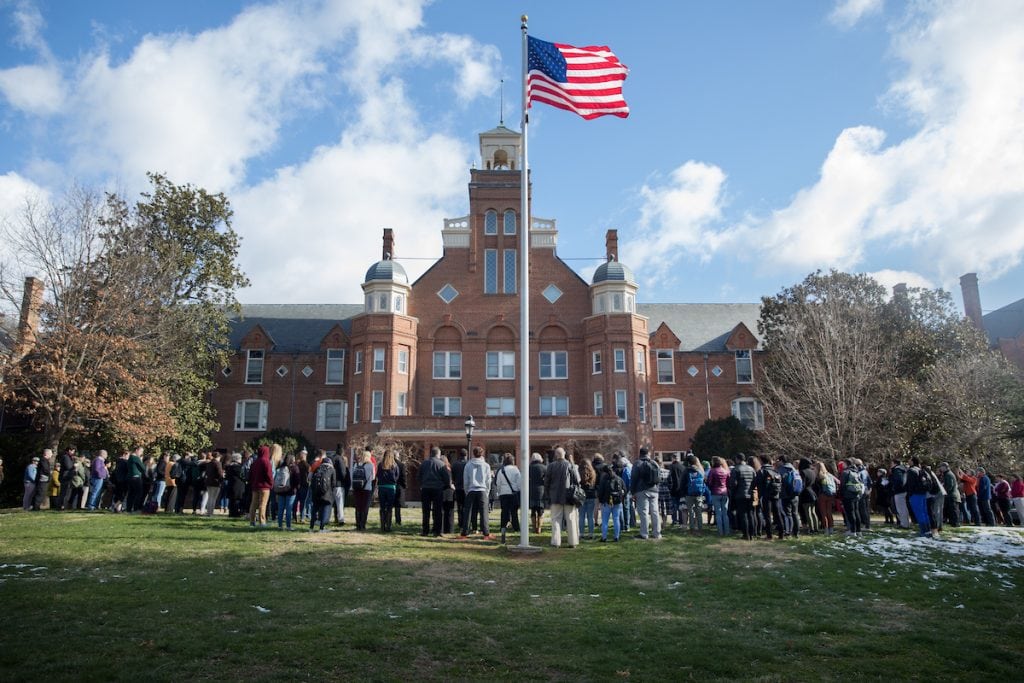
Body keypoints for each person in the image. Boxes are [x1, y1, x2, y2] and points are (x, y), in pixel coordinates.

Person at [544, 447, 579, 548]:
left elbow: (547, 482)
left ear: (556, 455)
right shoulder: (570, 465)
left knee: (555, 519)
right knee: (571, 519)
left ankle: (556, 542)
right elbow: (576, 480)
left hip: (555, 496)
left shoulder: (551, 466)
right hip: (569, 496)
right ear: (564, 454)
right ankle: (573, 542)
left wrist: (547, 494)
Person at [459, 446, 492, 539]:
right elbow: (488, 480)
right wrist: (487, 492)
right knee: (484, 512)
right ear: (482, 454)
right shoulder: (486, 465)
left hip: (471, 490)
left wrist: (467, 491)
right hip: (482, 490)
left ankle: (465, 532)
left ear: (473, 453)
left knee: (468, 512)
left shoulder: (468, 465)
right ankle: (486, 532)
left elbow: (465, 480)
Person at [418, 446, 451, 537]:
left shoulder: (424, 463)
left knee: (426, 511)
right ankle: (437, 531)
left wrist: (422, 484)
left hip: (425, 489)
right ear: (438, 454)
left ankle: (425, 530)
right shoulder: (441, 464)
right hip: (438, 489)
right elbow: (447, 479)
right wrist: (445, 486)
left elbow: (419, 476)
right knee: (438, 511)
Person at [596, 460, 625, 542]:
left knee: (605, 521)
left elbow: (600, 492)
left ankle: (604, 537)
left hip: (606, 502)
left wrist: (601, 501)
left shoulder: (604, 480)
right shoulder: (619, 479)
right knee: (616, 519)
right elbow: (625, 489)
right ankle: (616, 536)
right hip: (617, 502)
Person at [495, 453, 521, 543]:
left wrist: (499, 491)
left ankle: (503, 526)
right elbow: (519, 482)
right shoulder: (516, 470)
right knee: (514, 511)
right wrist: (518, 490)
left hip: (503, 493)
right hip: (513, 493)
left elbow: (498, 483)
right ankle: (516, 527)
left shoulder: (501, 470)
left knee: (504, 510)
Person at [248, 445, 274, 528]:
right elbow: (269, 475)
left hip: (255, 486)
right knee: (262, 505)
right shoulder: (266, 461)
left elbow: (250, 475)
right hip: (264, 486)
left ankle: (252, 521)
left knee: (253, 504)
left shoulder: (254, 462)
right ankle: (262, 522)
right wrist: (271, 484)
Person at [308, 454, 336, 532]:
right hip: (326, 494)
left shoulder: (317, 468)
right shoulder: (331, 470)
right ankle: (322, 527)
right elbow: (333, 483)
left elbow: (311, 479)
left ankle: (311, 527)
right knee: (325, 509)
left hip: (316, 493)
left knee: (314, 509)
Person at [272, 453, 299, 530]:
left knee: (280, 509)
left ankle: (280, 525)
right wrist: (295, 488)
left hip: (280, 491)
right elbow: (297, 480)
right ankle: (288, 526)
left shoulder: (280, 467)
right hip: (290, 491)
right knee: (288, 509)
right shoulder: (294, 468)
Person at [906, 457, 932, 537]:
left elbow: (910, 484)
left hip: (915, 494)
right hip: (923, 493)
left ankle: (923, 531)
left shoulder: (911, 471)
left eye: (909, 460)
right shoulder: (921, 470)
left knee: (919, 513)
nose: (908, 461)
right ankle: (928, 530)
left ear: (913, 462)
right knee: (924, 512)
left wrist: (909, 493)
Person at [376, 449, 401, 533]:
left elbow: (378, 476)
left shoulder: (380, 465)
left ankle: (382, 526)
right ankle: (388, 526)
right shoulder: (395, 465)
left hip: (382, 488)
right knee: (390, 507)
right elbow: (397, 477)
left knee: (382, 507)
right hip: (391, 488)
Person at [706, 456, 731, 537]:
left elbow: (709, 482)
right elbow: (728, 483)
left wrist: (711, 489)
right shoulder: (726, 471)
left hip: (715, 493)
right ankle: (727, 531)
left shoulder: (712, 471)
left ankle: (720, 532)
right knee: (725, 513)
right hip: (725, 493)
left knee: (718, 513)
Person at [840, 458, 865, 535]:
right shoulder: (856, 471)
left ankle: (852, 531)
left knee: (850, 513)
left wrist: (841, 495)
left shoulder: (845, 472)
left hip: (848, 495)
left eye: (843, 463)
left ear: (847, 464)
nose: (842, 465)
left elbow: (843, 485)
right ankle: (858, 530)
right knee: (856, 512)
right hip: (856, 494)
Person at [350, 451, 374, 531]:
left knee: (358, 507)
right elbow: (373, 477)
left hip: (357, 488)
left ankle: (357, 524)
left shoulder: (356, 464)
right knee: (365, 507)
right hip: (367, 489)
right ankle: (363, 525)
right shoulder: (371, 465)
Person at [813, 461, 837, 535]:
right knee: (829, 512)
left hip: (822, 496)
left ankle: (826, 529)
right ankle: (831, 528)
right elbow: (837, 482)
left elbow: (816, 487)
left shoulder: (818, 476)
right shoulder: (829, 475)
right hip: (830, 494)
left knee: (823, 513)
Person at [577, 458, 598, 540]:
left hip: (581, 495)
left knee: (581, 516)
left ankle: (581, 533)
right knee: (590, 516)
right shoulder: (593, 473)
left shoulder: (579, 472)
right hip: (591, 495)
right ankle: (591, 534)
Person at [797, 457, 819, 534]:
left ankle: (811, 528)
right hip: (812, 492)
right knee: (813, 512)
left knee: (808, 512)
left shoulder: (803, 472)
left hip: (805, 493)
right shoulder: (813, 471)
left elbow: (802, 484)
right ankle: (816, 528)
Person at [329, 449, 349, 526]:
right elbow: (343, 473)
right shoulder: (340, 459)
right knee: (340, 503)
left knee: (330, 503)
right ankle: (341, 519)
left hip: (331, 484)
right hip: (339, 484)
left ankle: (325, 518)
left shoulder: (331, 458)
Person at [451, 448, 469, 532]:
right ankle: (467, 523)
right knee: (467, 507)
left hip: (458, 487)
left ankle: (460, 523)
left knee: (460, 507)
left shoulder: (455, 464)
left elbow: (453, 477)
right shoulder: (468, 464)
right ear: (466, 455)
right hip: (467, 488)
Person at [528, 453, 546, 534]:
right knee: (540, 510)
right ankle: (539, 528)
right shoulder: (544, 467)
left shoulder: (529, 468)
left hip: (531, 490)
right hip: (541, 490)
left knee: (533, 510)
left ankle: (533, 527)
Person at [940, 463, 961, 527]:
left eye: (941, 467)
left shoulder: (949, 474)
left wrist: (944, 491)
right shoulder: (946, 474)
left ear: (945, 467)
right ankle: (953, 523)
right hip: (950, 495)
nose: (940, 468)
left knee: (954, 510)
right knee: (951, 510)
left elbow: (950, 486)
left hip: (952, 495)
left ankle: (956, 523)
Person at [204, 451, 224, 516]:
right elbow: (220, 473)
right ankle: (211, 512)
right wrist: (222, 479)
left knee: (210, 497)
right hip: (216, 482)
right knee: (213, 498)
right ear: (218, 457)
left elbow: (207, 473)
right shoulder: (218, 463)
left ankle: (209, 512)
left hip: (208, 482)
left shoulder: (209, 463)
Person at [55, 446, 76, 510]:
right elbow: (68, 467)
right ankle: (62, 505)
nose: (73, 453)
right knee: (64, 493)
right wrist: (74, 466)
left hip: (68, 477)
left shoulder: (69, 458)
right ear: (69, 450)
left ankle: (63, 505)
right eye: (73, 451)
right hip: (65, 477)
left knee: (67, 493)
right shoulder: (65, 457)